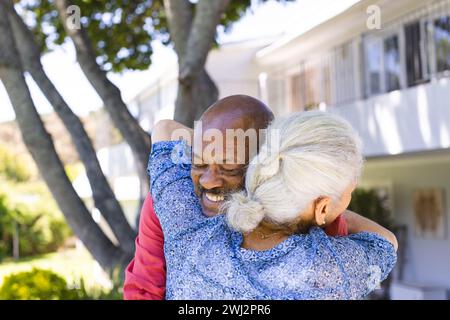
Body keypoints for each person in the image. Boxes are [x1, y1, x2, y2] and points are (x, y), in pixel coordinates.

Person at [147, 110, 397, 299]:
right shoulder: (332, 270)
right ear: (322, 207)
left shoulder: (188, 229)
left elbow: (165, 130)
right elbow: (387, 242)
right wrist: (312, 207)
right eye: (348, 193)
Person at [123, 96, 349, 300]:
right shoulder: (170, 200)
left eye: (229, 166)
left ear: (265, 167)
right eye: (199, 163)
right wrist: (216, 141)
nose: (208, 181)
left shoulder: (303, 210)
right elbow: (143, 290)